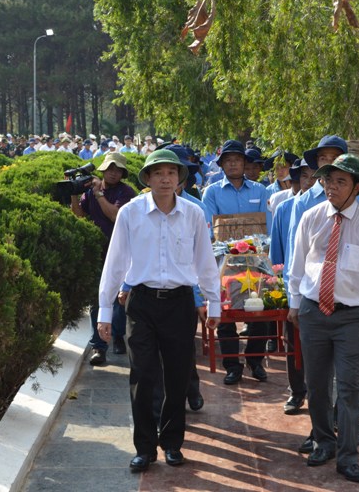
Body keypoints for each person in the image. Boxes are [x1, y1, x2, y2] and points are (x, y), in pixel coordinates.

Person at [97, 149, 221, 473]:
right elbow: (115, 263)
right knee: (143, 375)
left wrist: (214, 301)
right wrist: (104, 311)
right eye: (158, 173)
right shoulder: (130, 213)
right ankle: (144, 447)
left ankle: (172, 443)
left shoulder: (193, 214)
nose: (165, 178)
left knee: (178, 376)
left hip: (180, 303)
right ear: (148, 178)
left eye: (171, 172)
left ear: (179, 178)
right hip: (141, 303)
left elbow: (205, 261)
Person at [287, 154, 359, 483]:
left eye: (340, 182)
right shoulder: (311, 218)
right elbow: (297, 267)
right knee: (317, 384)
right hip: (313, 312)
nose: (331, 187)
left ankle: (348, 455)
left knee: (351, 387)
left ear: (357, 188)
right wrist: (295, 304)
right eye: (327, 180)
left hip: (352, 317)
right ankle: (324, 441)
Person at [201, 139, 271, 385]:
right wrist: (232, 244)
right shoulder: (212, 192)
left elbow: (266, 226)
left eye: (237, 159)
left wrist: (253, 245)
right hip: (225, 262)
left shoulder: (260, 191)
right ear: (221, 165)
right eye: (228, 160)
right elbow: (211, 228)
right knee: (227, 312)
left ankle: (255, 361)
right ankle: (232, 364)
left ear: (244, 162)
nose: (233, 164)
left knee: (260, 311)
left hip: (256, 261)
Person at [71, 152, 137, 364]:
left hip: (120, 252)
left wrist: (99, 194)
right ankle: (99, 346)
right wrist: (74, 193)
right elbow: (79, 215)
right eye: (110, 168)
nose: (113, 173)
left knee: (118, 299)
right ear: (103, 169)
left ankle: (117, 336)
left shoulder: (126, 192)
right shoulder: (91, 192)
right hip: (96, 251)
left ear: (123, 173)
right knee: (96, 299)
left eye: (118, 170)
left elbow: (115, 215)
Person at [268, 157, 315, 415]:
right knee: (292, 342)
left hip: (320, 286)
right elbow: (277, 255)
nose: (309, 181)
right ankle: (296, 392)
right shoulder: (285, 209)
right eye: (304, 176)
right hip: (292, 284)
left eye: (314, 176)